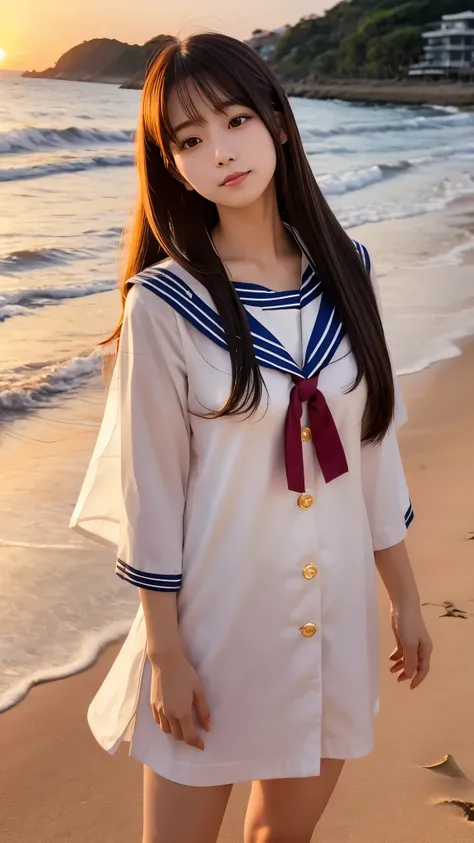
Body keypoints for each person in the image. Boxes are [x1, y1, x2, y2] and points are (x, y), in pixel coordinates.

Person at [70, 32, 433, 843]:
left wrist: (404, 598)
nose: (220, 153)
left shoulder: (349, 268)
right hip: (216, 626)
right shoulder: (163, 307)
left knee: (284, 838)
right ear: (170, 164)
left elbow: (371, 452)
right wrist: (166, 654)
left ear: (275, 119)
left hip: (335, 614)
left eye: (234, 121)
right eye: (190, 140)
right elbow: (152, 495)